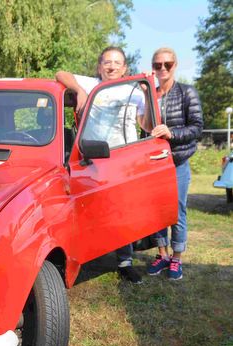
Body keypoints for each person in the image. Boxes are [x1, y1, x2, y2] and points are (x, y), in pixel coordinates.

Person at [55, 46, 145, 284]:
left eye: (117, 63)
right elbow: (60, 74)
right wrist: (79, 91)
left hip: (124, 159)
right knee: (91, 209)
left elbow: (143, 123)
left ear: (125, 68)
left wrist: (149, 90)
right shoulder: (91, 83)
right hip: (95, 159)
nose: (112, 66)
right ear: (99, 67)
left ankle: (125, 262)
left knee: (123, 211)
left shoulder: (135, 90)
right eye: (107, 62)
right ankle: (86, 256)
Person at [143, 47, 203, 280]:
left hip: (177, 162)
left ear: (175, 65)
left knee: (177, 211)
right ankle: (162, 254)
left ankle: (177, 257)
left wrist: (172, 133)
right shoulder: (150, 94)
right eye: (158, 65)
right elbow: (144, 127)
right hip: (154, 164)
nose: (163, 69)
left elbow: (197, 127)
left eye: (167, 64)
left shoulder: (187, 92)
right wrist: (145, 91)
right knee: (158, 211)